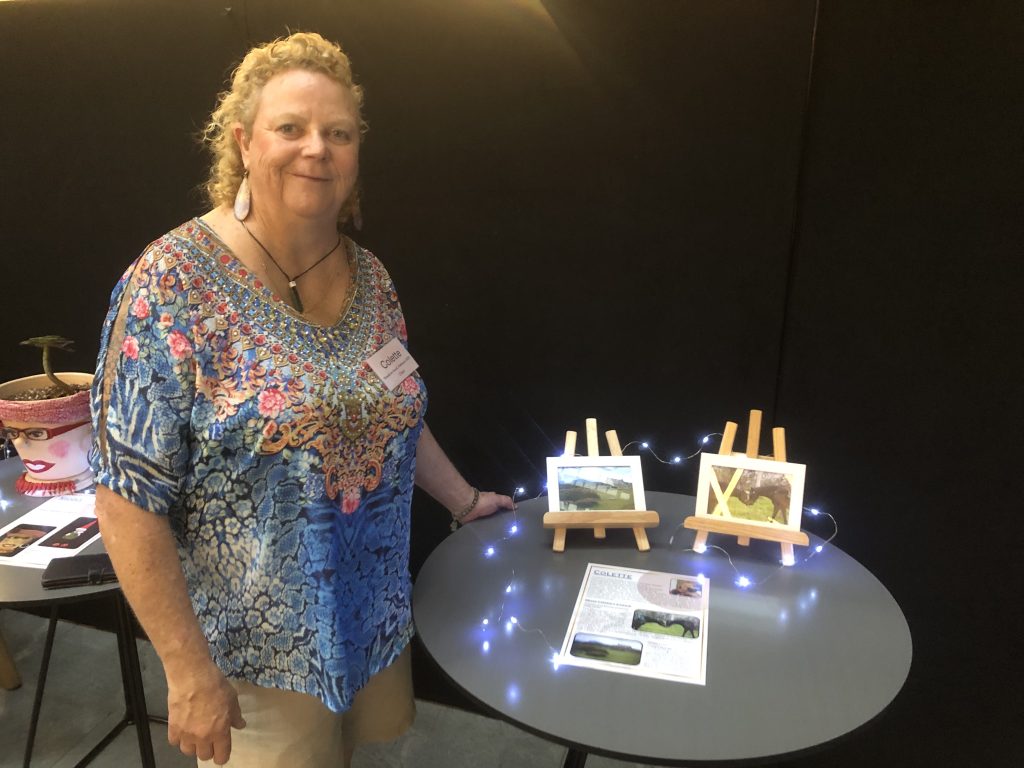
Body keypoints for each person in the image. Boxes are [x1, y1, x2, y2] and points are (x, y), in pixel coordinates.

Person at [90, 32, 513, 768]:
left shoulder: (371, 279)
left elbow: (397, 408)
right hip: (251, 661)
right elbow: (125, 497)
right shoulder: (171, 284)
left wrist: (463, 498)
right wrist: (187, 671)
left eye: (338, 133)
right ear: (244, 143)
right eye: (292, 128)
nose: (317, 148)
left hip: (369, 622)